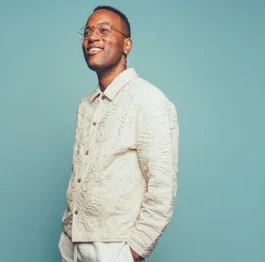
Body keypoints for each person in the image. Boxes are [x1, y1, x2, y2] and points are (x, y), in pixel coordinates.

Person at [58, 5, 179, 262]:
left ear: (127, 45)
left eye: (104, 30)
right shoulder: (85, 105)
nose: (92, 37)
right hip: (72, 243)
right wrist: (68, 236)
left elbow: (162, 188)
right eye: (88, 31)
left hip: (115, 248)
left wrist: (131, 252)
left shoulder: (149, 100)